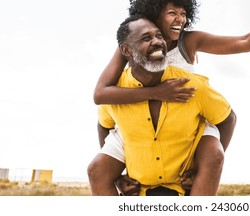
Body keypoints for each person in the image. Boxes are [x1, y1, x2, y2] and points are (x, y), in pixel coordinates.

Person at [89, 0, 250, 195]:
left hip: (187, 116)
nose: (180, 19)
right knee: (99, 167)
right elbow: (101, 94)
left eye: (183, 14)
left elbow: (244, 41)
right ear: (154, 14)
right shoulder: (133, 46)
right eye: (172, 13)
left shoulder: (189, 40)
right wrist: (157, 93)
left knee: (214, 154)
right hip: (140, 120)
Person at [89, 17, 236, 196]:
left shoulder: (190, 85)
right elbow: (104, 125)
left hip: (182, 182)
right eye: (146, 38)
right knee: (95, 169)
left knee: (215, 155)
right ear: (126, 50)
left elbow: (228, 119)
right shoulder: (116, 91)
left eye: (159, 36)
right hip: (141, 184)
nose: (158, 42)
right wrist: (118, 175)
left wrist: (200, 170)